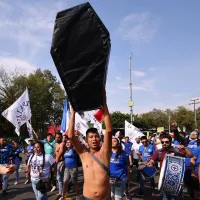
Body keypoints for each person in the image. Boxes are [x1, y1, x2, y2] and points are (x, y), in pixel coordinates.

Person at [68, 89, 112, 200]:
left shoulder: (105, 151)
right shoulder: (83, 153)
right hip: (87, 197)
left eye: (96, 136)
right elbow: (70, 136)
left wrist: (104, 104)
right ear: (87, 141)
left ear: (100, 138)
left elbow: (109, 130)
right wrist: (73, 112)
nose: (94, 139)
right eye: (91, 137)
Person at [148, 134, 193, 200]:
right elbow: (152, 160)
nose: (164, 143)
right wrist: (150, 163)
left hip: (177, 180)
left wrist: (185, 148)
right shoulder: (159, 151)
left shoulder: (177, 150)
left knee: (177, 197)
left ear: (170, 142)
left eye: (166, 142)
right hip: (164, 179)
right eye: (162, 142)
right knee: (165, 197)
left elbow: (191, 155)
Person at [55, 132, 66, 197]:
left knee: (60, 177)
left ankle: (61, 193)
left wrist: (56, 161)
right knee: (59, 177)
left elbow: (60, 152)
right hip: (57, 162)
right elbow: (55, 153)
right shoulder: (56, 144)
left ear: (61, 138)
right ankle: (61, 191)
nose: (57, 138)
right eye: (56, 137)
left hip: (61, 162)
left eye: (59, 137)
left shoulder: (62, 144)